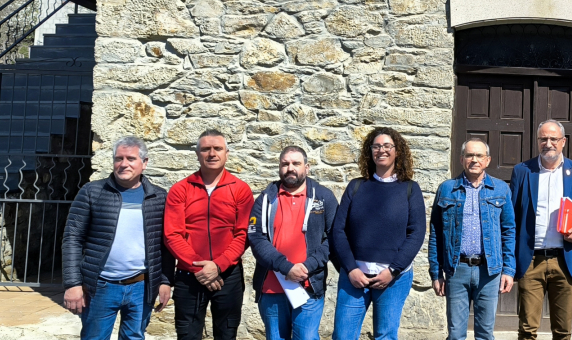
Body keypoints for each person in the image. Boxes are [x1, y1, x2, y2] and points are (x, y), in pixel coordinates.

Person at [62, 137, 172, 340]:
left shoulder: (159, 197)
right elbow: (72, 239)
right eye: (118, 158)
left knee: (134, 337)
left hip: (141, 287)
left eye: (131, 158)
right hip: (100, 287)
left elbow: (165, 244)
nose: (123, 164)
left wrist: (165, 281)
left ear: (144, 163)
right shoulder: (92, 192)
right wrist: (73, 284)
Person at [331, 127, 426, 340]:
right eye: (376, 146)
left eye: (387, 146)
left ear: (397, 151)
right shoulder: (356, 186)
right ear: (370, 151)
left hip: (393, 278)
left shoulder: (410, 189)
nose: (381, 150)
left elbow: (417, 233)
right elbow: (338, 230)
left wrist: (392, 270)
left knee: (386, 336)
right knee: (343, 336)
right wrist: (351, 269)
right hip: (354, 276)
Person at [164, 130, 255, 340]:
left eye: (218, 148)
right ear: (197, 154)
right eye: (206, 149)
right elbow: (172, 235)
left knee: (226, 335)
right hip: (189, 275)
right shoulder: (180, 189)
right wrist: (200, 268)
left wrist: (218, 266)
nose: (212, 153)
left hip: (228, 274)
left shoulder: (240, 189)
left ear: (226, 153)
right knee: (187, 336)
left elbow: (243, 234)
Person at [509, 120, 572, 340]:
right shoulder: (522, 171)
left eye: (553, 139)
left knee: (563, 331)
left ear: (563, 141)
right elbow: (512, 217)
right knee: (527, 330)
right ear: (538, 141)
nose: (548, 143)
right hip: (531, 260)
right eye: (543, 139)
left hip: (563, 260)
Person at [428, 139, 517, 340]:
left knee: (485, 334)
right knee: (455, 334)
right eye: (469, 155)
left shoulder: (501, 189)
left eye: (479, 155)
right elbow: (436, 234)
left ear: (488, 160)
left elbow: (508, 231)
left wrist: (508, 270)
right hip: (456, 269)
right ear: (461, 159)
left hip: (489, 271)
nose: (474, 160)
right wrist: (436, 273)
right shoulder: (446, 189)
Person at [248, 146, 339, 340]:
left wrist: (308, 266)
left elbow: (334, 237)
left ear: (307, 167)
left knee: (306, 337)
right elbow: (256, 239)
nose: (290, 168)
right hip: (271, 287)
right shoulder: (265, 199)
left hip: (309, 285)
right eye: (285, 164)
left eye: (296, 163)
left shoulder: (323, 197)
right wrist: (286, 267)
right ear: (279, 167)